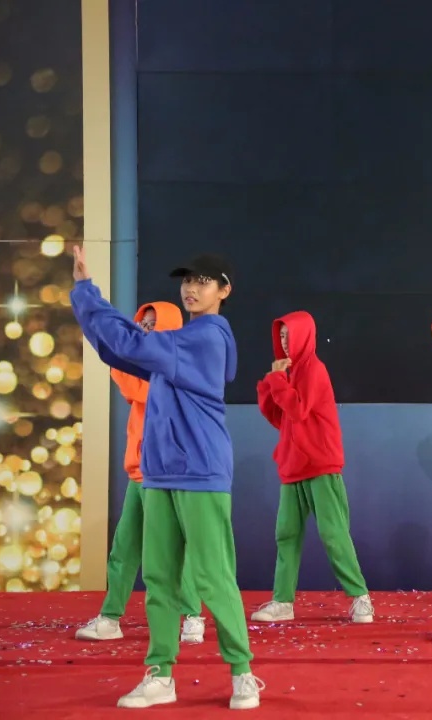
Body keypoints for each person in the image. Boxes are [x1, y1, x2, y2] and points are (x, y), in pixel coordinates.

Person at [70, 248, 262, 710]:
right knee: (158, 578)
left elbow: (132, 344)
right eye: (187, 280)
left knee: (213, 575)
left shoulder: (207, 336)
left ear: (224, 290)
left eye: (203, 281)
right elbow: (117, 349)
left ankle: (242, 673)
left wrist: (88, 291)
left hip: (200, 471)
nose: (191, 288)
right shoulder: (179, 343)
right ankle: (160, 675)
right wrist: (86, 301)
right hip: (158, 473)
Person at [75, 301, 207, 645]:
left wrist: (120, 353)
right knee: (124, 548)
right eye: (143, 325)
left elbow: (135, 389)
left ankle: (192, 615)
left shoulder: (174, 366)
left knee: (170, 550)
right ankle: (110, 617)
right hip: (140, 471)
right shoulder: (142, 366)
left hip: (165, 474)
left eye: (152, 325)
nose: (146, 330)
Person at [252, 311, 374, 624]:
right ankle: (283, 601)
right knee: (286, 534)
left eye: (289, 335)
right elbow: (280, 418)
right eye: (280, 336)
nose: (284, 342)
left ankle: (360, 597)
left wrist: (277, 380)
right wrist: (269, 385)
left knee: (333, 533)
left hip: (320, 464)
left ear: (304, 336)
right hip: (293, 466)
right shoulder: (290, 373)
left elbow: (298, 408)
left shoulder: (314, 369)